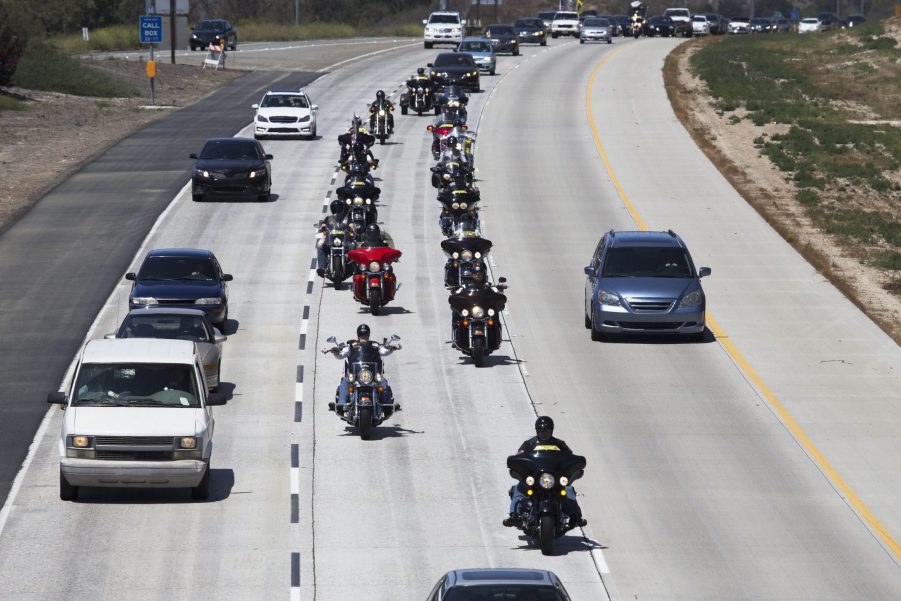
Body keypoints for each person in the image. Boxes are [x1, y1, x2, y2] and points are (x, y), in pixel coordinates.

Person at [503, 416, 586, 528]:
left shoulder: (560, 444)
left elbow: (570, 457)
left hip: (555, 478)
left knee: (568, 489)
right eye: (541, 430)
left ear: (551, 430)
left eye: (546, 430)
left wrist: (576, 462)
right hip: (535, 477)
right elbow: (519, 455)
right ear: (537, 430)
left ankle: (576, 516)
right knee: (520, 488)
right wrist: (516, 461)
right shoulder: (529, 444)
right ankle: (514, 515)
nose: (544, 433)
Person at [324, 324, 400, 415]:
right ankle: (341, 405)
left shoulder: (375, 345)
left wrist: (391, 349)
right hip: (356, 374)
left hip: (372, 374)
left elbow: (384, 351)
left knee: (383, 383)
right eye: (361, 334)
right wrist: (336, 352)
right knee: (345, 382)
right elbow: (341, 355)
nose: (363, 336)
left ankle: (388, 407)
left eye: (365, 334)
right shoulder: (351, 345)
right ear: (358, 335)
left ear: (368, 335)